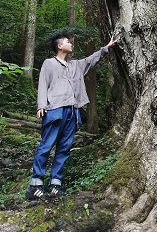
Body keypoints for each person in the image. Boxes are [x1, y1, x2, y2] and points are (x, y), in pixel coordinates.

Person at [25, 33, 117, 200]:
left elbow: (90, 60)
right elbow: (43, 84)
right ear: (60, 46)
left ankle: (55, 184)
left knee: (64, 149)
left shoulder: (75, 65)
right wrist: (41, 106)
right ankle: (35, 185)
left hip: (72, 112)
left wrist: (106, 48)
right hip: (54, 110)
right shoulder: (49, 63)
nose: (71, 44)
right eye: (68, 42)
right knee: (46, 146)